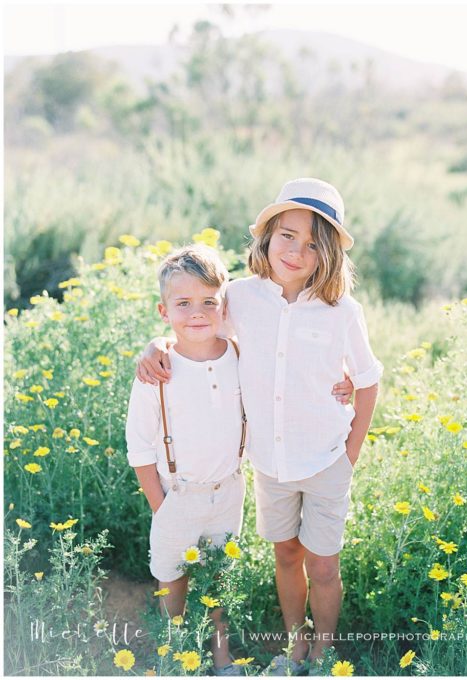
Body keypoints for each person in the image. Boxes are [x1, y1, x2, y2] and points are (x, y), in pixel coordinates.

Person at [138, 178, 381, 674]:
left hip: (328, 460)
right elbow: (196, 329)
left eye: (314, 243)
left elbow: (369, 380)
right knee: (287, 556)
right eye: (287, 235)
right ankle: (295, 645)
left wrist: (350, 454)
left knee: (324, 565)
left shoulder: (342, 311)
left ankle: (324, 649)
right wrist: (157, 347)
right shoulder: (242, 298)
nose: (297, 250)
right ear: (267, 236)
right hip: (270, 464)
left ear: (329, 254)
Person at [126, 244, 245, 675]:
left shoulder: (237, 354)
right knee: (172, 580)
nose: (197, 312)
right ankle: (174, 655)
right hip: (177, 495)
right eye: (183, 303)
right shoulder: (156, 372)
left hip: (230, 490)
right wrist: (163, 507)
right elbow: (139, 449)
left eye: (208, 302)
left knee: (218, 580)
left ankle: (221, 656)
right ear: (164, 311)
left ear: (223, 305)